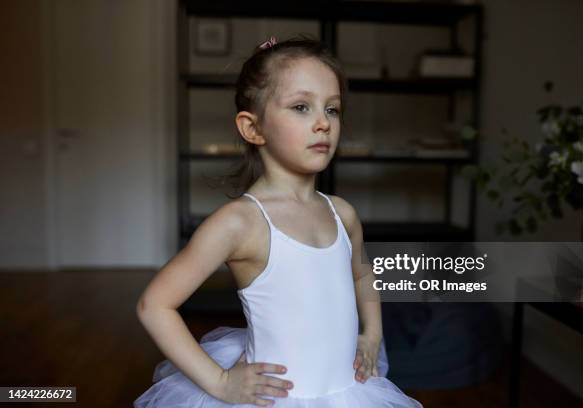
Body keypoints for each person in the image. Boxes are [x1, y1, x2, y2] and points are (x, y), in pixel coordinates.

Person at [134, 35, 423, 407]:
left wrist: (372, 334)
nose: (322, 123)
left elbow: (362, 275)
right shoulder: (241, 222)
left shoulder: (342, 213)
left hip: (347, 394)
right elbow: (155, 305)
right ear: (253, 128)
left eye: (332, 109)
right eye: (301, 107)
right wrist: (221, 383)